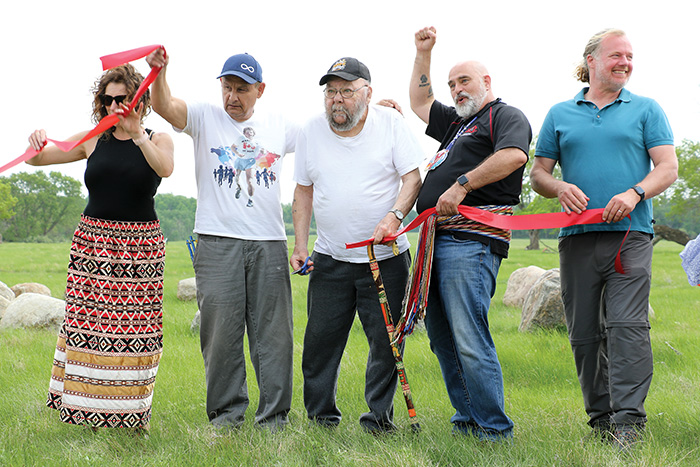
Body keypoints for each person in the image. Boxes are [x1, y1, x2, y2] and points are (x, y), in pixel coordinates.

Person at [530, 29, 677, 449]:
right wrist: (557, 188)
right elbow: (539, 172)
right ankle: (600, 419)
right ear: (591, 60)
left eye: (630, 57)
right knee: (583, 333)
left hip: (630, 236)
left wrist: (635, 193)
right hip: (576, 238)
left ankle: (628, 423)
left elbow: (667, 167)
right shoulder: (560, 113)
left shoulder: (647, 109)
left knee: (627, 327)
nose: (625, 63)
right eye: (616, 55)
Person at [145, 49, 296, 431]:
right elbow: (163, 104)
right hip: (216, 241)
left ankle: (273, 419)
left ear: (260, 90)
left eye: (241, 89)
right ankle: (227, 417)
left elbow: (331, 129)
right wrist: (160, 73)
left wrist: (372, 108)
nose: (232, 97)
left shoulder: (281, 124)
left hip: (269, 242)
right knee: (221, 334)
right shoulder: (204, 117)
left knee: (273, 335)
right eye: (227, 87)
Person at [28, 64, 174, 432]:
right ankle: (90, 413)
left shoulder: (158, 138)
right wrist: (34, 146)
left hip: (140, 248)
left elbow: (166, 169)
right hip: (92, 245)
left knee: (134, 333)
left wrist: (137, 133)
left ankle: (134, 416)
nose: (113, 105)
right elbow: (42, 158)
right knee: (90, 328)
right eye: (107, 99)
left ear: (138, 99)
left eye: (121, 98)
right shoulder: (95, 139)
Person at [408, 26, 531, 441]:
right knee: (442, 339)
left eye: (464, 81)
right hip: (436, 242)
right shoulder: (457, 124)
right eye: (452, 84)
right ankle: (468, 421)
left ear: (486, 82)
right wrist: (423, 52)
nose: (457, 90)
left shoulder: (503, 116)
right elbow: (420, 101)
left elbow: (514, 155)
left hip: (471, 243)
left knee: (468, 337)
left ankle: (494, 431)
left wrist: (461, 184)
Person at [290, 57, 423, 433]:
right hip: (330, 258)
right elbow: (303, 190)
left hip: (385, 258)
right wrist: (301, 243)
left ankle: (378, 422)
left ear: (367, 93)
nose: (337, 99)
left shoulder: (391, 125)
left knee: (386, 344)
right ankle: (321, 420)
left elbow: (412, 179)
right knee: (319, 343)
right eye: (331, 91)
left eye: (347, 91)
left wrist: (394, 216)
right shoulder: (311, 132)